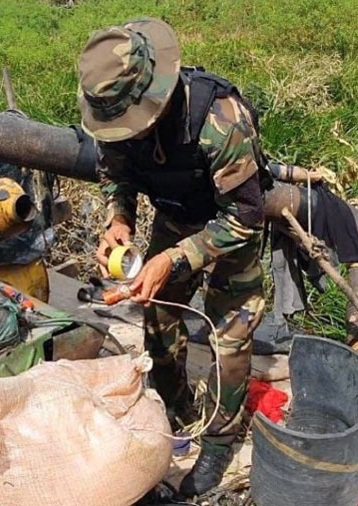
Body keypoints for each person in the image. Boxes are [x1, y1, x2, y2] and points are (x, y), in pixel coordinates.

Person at [77, 18, 268, 497]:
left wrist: (178, 258)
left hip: (228, 235)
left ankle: (221, 440)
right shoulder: (113, 113)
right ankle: (178, 409)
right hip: (174, 221)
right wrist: (117, 220)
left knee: (230, 340)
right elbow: (115, 175)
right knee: (158, 320)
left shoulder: (219, 120)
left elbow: (248, 213)